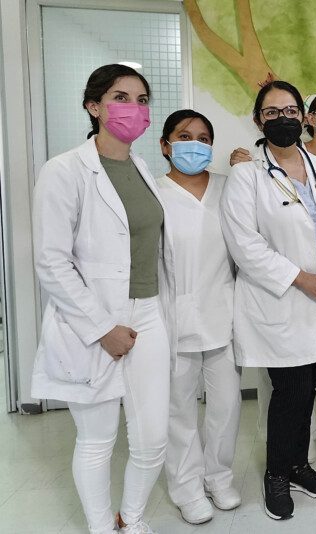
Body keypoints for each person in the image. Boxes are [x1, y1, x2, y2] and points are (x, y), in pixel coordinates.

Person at [30, 64, 175, 534]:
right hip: (92, 321)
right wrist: (101, 328)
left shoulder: (142, 168)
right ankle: (101, 527)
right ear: (94, 106)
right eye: (119, 97)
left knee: (152, 438)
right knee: (97, 439)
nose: (132, 108)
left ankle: (130, 519)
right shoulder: (64, 170)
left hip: (148, 312)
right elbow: (52, 262)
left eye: (140, 99)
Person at [220, 80, 316, 520]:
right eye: (272, 112)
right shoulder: (246, 175)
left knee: (309, 388)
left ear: (304, 116)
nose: (283, 118)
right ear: (258, 119)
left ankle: (298, 465)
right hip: (282, 302)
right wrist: (302, 279)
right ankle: (277, 475)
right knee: (290, 392)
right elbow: (245, 245)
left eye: (291, 110)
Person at [156, 109, 242, 524]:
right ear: (165, 145)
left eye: (204, 138)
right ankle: (187, 487)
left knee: (227, 405)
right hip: (171, 318)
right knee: (179, 409)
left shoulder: (230, 188)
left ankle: (219, 477)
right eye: (185, 136)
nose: (196, 144)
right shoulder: (153, 193)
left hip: (223, 314)